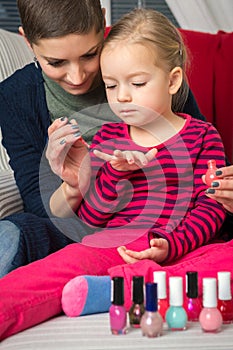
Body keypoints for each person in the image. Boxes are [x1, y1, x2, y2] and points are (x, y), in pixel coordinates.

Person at [0, 8, 231, 340]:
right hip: (111, 244)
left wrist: (170, 244)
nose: (122, 96)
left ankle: (118, 288)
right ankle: (130, 283)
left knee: (226, 257)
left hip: (184, 246)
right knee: (39, 277)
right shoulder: (109, 138)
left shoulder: (202, 136)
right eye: (110, 86)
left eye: (136, 84)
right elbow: (93, 215)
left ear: (173, 81)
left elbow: (211, 210)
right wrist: (111, 175)